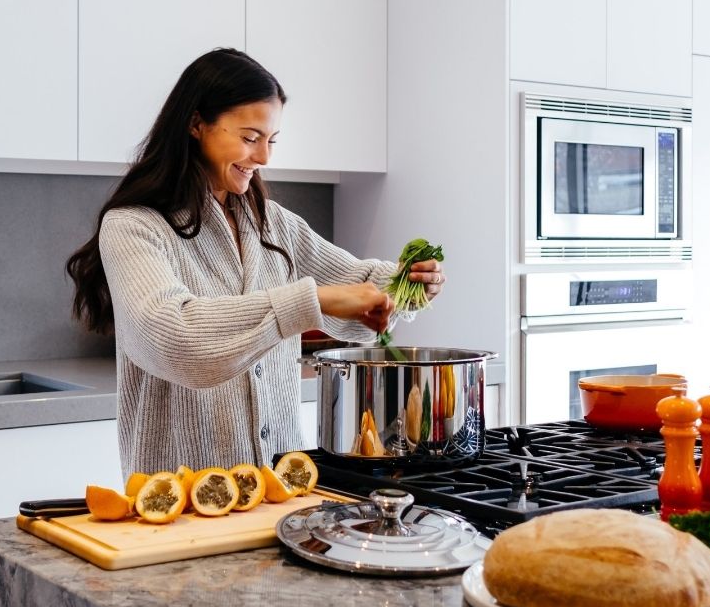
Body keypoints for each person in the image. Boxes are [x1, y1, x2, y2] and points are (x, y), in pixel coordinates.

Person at [66, 48, 445, 478]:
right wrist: (310, 301)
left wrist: (407, 284)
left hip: (281, 488)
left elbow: (356, 284)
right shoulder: (134, 227)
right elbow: (174, 337)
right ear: (195, 125)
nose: (264, 157)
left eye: (271, 140)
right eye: (250, 138)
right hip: (180, 498)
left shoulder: (273, 224)